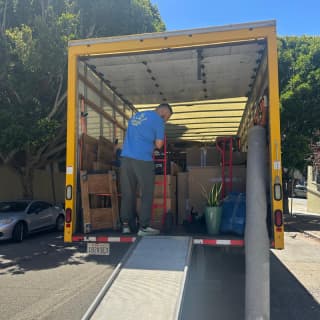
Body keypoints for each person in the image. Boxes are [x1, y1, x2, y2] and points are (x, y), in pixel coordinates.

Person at [120, 103, 173, 236]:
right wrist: (153, 146)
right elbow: (159, 144)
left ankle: (125, 225)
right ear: (164, 112)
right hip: (143, 159)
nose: (165, 120)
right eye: (167, 118)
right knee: (147, 193)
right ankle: (143, 227)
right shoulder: (158, 120)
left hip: (126, 158)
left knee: (128, 193)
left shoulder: (136, 116)